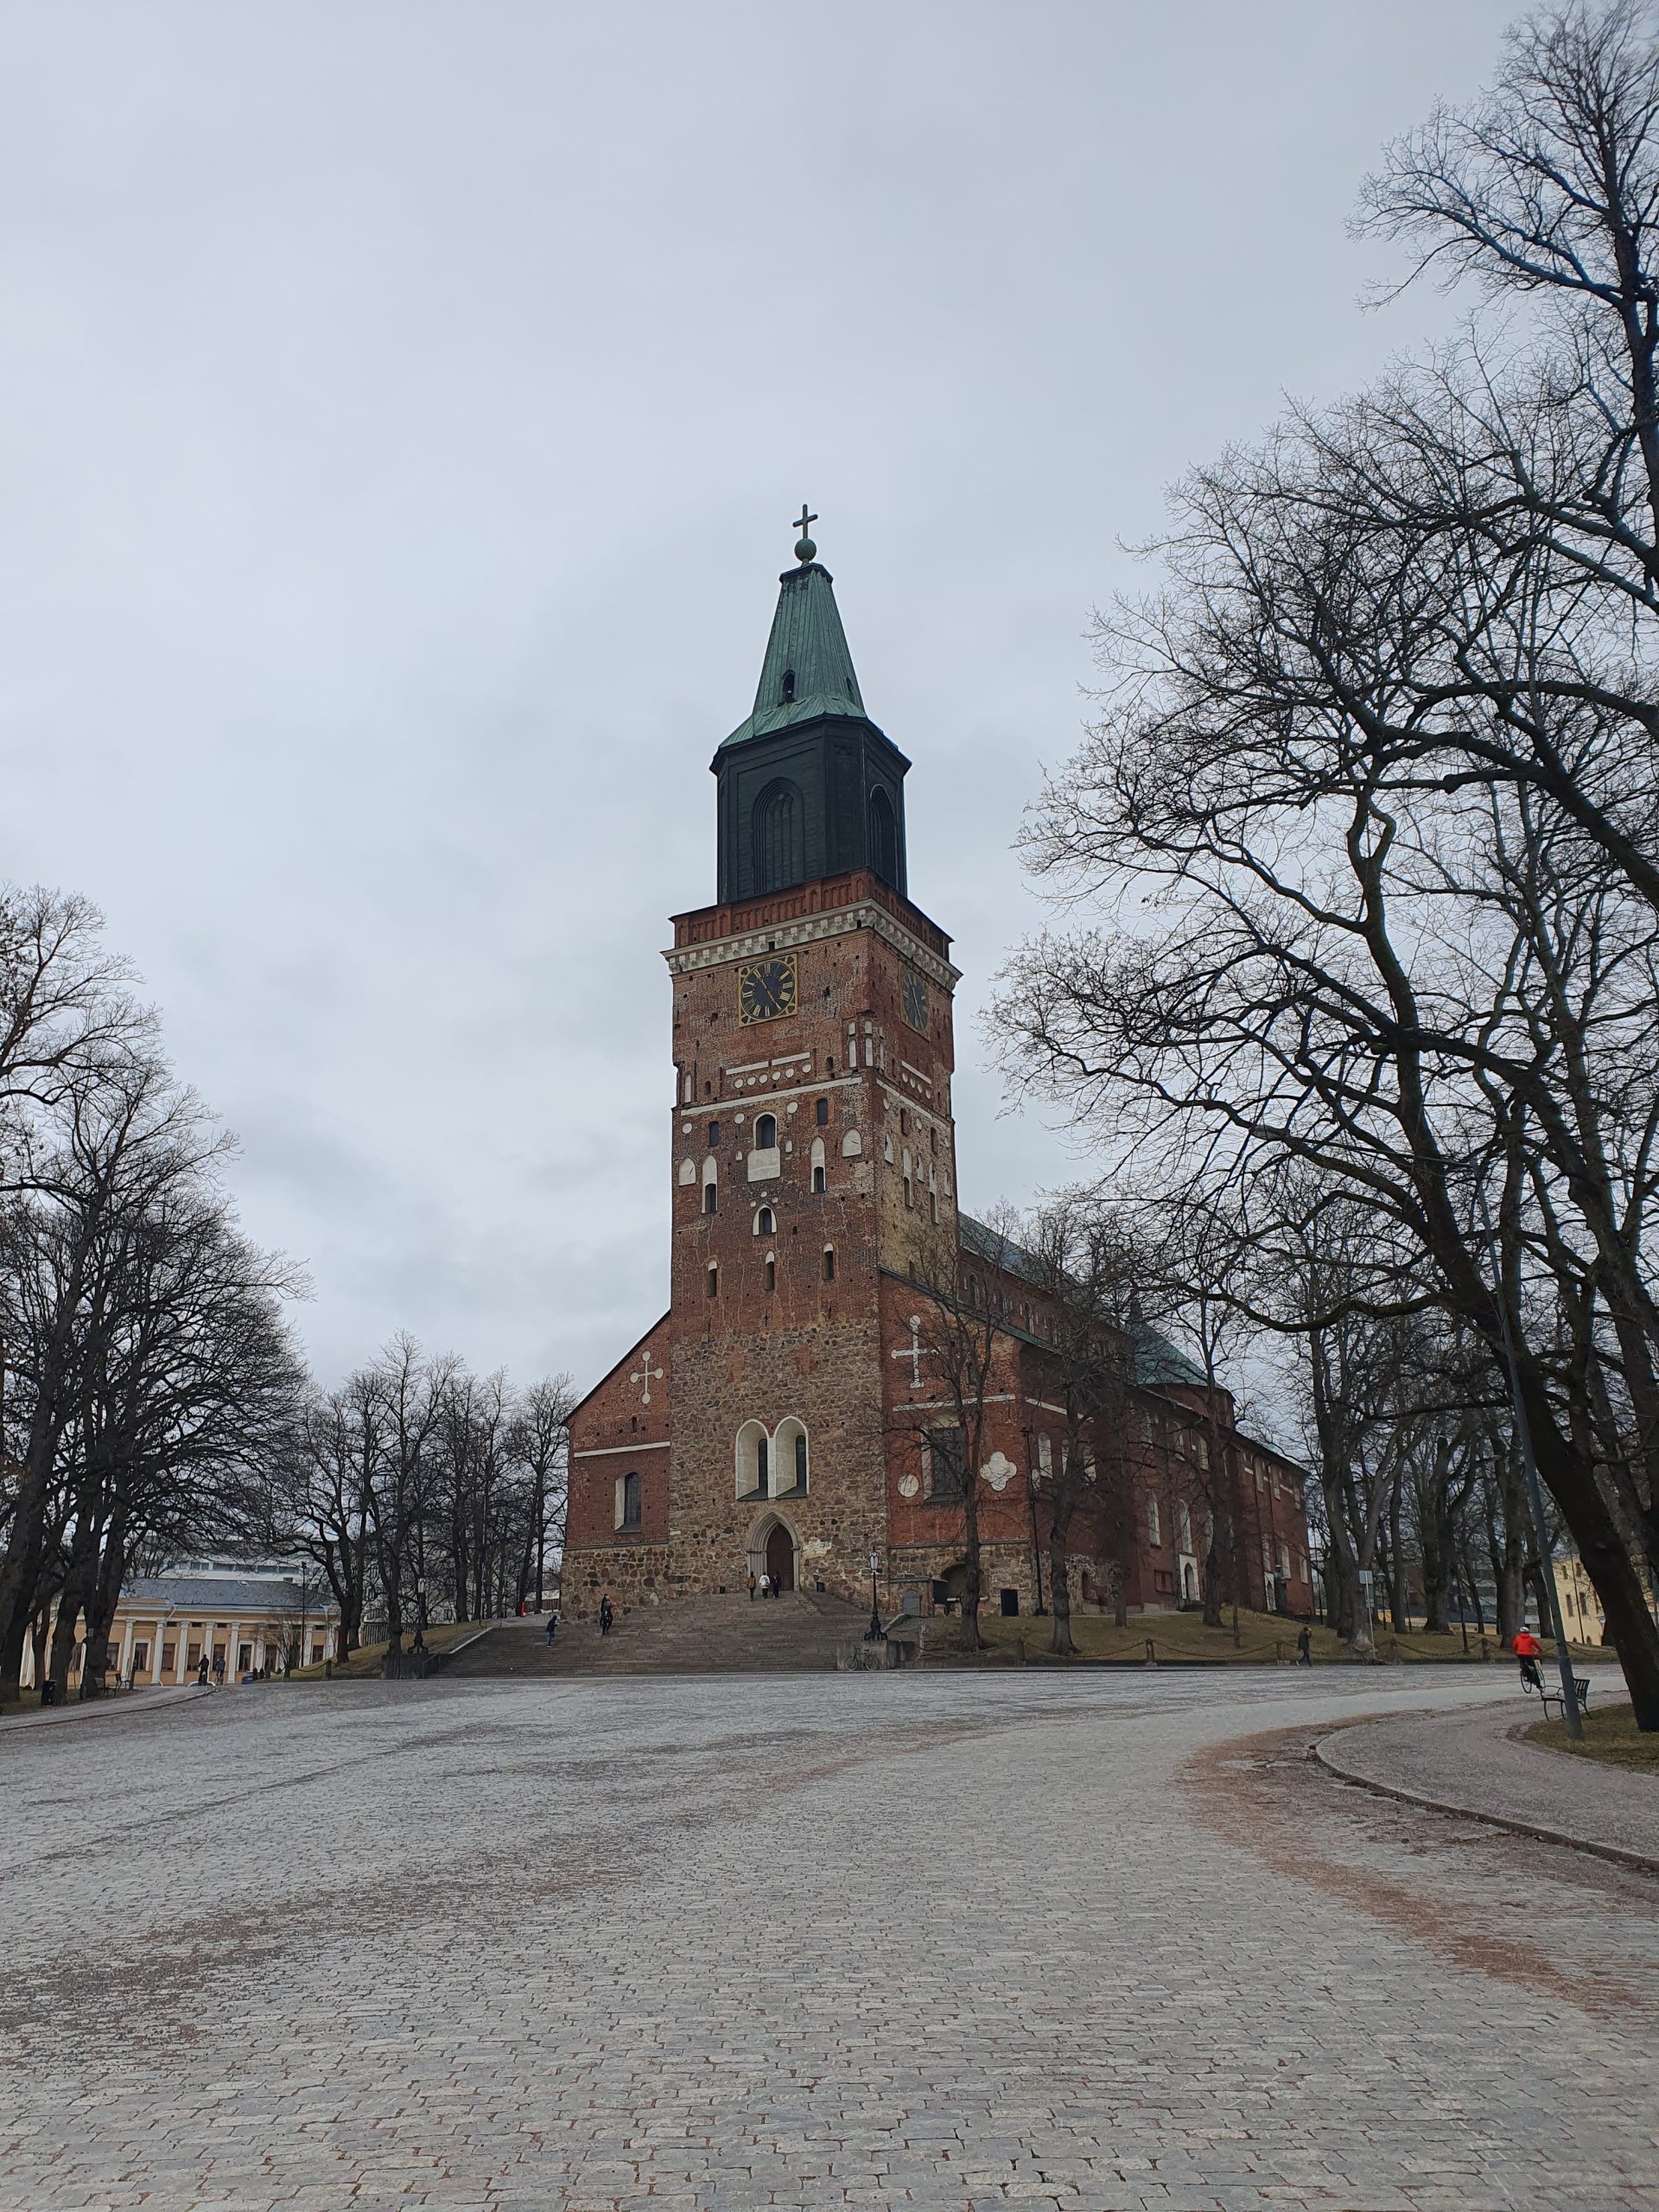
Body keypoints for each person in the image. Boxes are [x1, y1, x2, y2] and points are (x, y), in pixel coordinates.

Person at [1513, 1626, 1544, 1692]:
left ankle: (1525, 1673)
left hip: (1520, 1654)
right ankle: (1538, 1685)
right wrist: (1540, 1650)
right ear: (1528, 1632)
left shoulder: (1518, 1638)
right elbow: (1536, 1645)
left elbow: (1514, 1645)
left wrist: (1517, 1651)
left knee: (1524, 1664)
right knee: (1534, 1668)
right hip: (1528, 1655)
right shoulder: (1530, 1638)